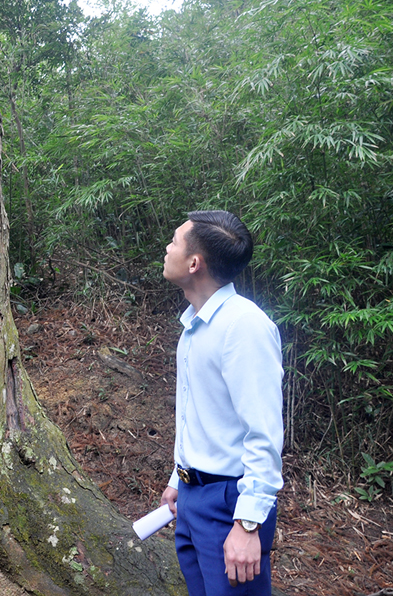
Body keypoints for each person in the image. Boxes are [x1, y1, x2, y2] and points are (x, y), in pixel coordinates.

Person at [159, 210, 284, 596]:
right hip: (193, 498)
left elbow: (263, 433)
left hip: (229, 504)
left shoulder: (243, 327)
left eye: (176, 241)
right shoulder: (195, 326)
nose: (167, 247)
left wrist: (247, 526)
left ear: (195, 263)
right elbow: (200, 413)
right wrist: (179, 477)